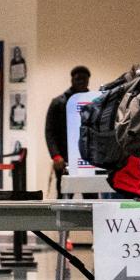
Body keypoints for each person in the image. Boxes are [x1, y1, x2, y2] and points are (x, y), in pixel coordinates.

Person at [45, 65, 90, 197]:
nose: (81, 82)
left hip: (88, 158)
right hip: (64, 158)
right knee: (64, 196)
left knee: (91, 196)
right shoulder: (58, 102)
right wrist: (56, 155)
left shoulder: (94, 101)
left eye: (84, 79)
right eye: (78, 79)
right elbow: (50, 131)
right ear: (72, 80)